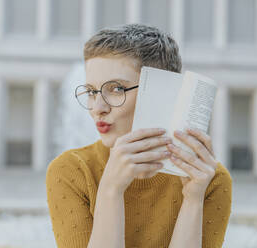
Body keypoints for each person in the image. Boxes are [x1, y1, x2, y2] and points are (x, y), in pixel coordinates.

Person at [45, 23, 232, 248]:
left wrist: (193, 200)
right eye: (92, 92)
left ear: (162, 91)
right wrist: (111, 189)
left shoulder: (209, 180)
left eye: (116, 89)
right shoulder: (70, 171)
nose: (97, 108)